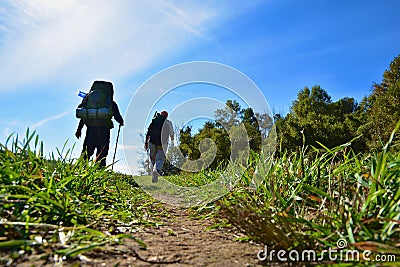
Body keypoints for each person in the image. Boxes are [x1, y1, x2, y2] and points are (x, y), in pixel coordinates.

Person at [75, 81, 124, 167]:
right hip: (104, 130)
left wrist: (79, 130)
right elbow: (117, 116)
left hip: (91, 129)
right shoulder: (110, 104)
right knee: (102, 152)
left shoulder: (89, 103)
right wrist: (121, 121)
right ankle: (99, 171)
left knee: (87, 151)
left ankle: (80, 169)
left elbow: (84, 116)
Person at [145, 110, 174, 183]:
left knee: (152, 159)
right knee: (160, 159)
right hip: (162, 143)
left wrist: (146, 142)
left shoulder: (154, 120)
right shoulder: (168, 122)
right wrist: (172, 141)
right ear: (166, 116)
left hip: (152, 142)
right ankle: (157, 170)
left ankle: (153, 175)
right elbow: (172, 134)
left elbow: (149, 131)